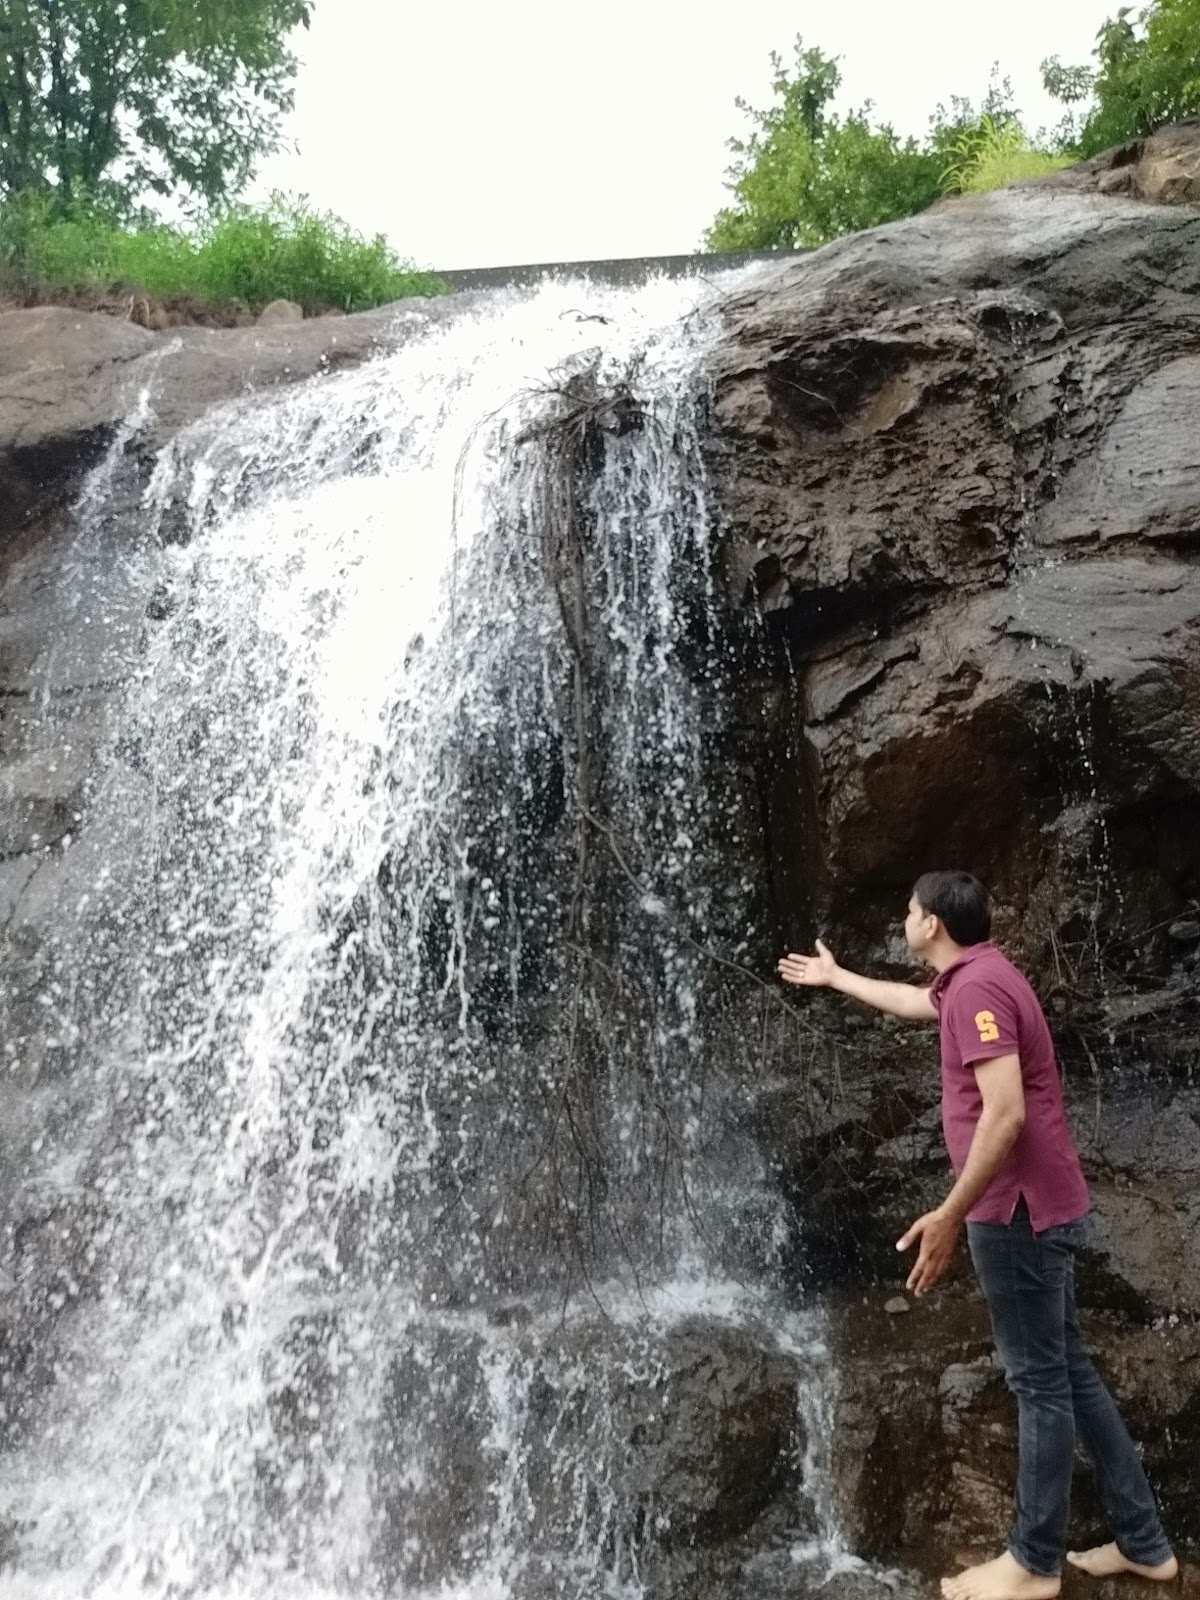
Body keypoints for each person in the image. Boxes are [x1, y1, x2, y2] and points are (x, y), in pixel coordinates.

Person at [778, 871, 1178, 1600]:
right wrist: (837, 977)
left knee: (1039, 1384)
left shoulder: (978, 991)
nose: (904, 917)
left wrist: (949, 1214)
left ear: (931, 924)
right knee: (1070, 1373)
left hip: (1017, 1212)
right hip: (1035, 1205)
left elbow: (1005, 1114)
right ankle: (1145, 1543)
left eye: (907, 910)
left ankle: (1032, 1563)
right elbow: (911, 1002)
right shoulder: (972, 978)